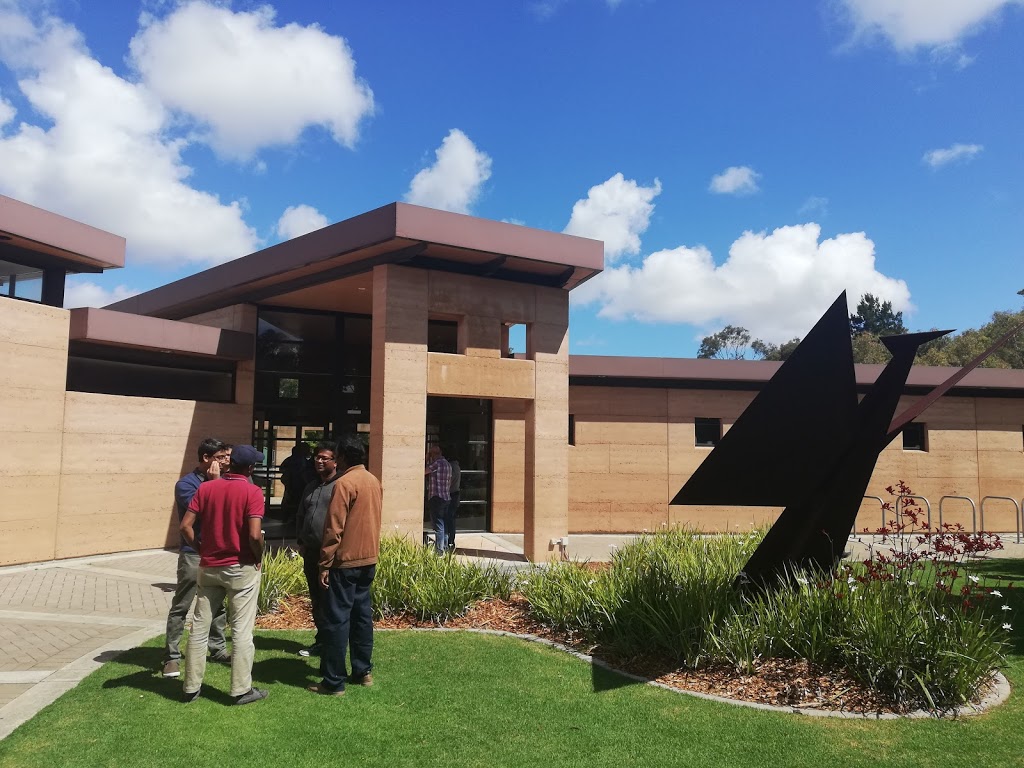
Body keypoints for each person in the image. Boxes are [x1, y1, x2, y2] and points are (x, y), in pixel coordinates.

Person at [180, 445, 268, 706]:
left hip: (209, 566)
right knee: (241, 630)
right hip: (240, 568)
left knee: (198, 628)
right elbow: (254, 534)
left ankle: (190, 688)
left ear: (229, 464)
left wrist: (199, 548)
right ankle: (241, 690)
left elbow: (185, 526)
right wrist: (258, 556)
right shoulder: (252, 491)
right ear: (250, 468)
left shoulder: (206, 487)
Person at [308, 436, 382, 696]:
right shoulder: (373, 480)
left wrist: (325, 563)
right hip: (368, 559)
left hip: (345, 562)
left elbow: (333, 528)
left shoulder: (344, 483)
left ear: (342, 458)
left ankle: (333, 681)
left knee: (336, 620)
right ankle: (363, 672)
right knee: (362, 617)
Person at [161, 438, 231, 679]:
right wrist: (215, 484)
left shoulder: (223, 480)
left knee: (217, 604)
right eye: (221, 457)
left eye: (226, 457)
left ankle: (218, 648)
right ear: (206, 458)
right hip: (193, 553)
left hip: (217, 554)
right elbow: (205, 511)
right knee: (182, 605)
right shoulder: (186, 485)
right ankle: (171, 657)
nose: (226, 461)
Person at [295, 440, 343, 658]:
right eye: (317, 457)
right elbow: (301, 514)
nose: (319, 461)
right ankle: (322, 640)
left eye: (325, 458)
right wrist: (302, 541)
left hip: (331, 554)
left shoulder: (340, 487)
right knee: (316, 599)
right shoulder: (311, 486)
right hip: (311, 551)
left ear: (336, 462)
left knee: (329, 601)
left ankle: (332, 643)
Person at [424, 444, 451, 554]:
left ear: (433, 454)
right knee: (444, 524)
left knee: (438, 525)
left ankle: (439, 551)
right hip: (446, 497)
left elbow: (423, 471)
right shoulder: (448, 464)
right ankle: (444, 547)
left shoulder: (437, 463)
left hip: (437, 497)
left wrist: (426, 458)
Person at [445, 448, 461, 553]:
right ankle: (450, 541)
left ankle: (450, 542)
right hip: (455, 494)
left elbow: (449, 481)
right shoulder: (457, 466)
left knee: (449, 519)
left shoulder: (452, 467)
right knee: (451, 519)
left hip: (452, 494)